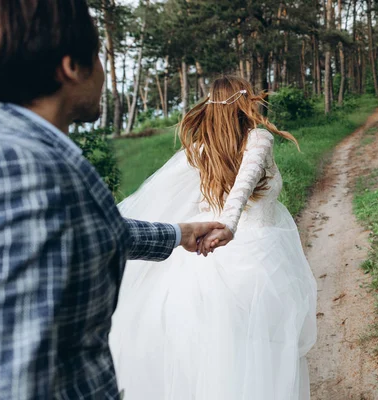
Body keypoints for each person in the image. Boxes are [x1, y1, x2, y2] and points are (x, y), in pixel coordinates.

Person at [0, 1, 223, 399]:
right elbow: (16, 371)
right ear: (72, 67)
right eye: (98, 57)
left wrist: (179, 232)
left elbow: (76, 229)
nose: (104, 72)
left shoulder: (16, 145)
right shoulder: (30, 168)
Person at [109, 76, 318, 400]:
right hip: (257, 258)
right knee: (263, 356)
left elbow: (214, 196)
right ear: (244, 101)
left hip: (201, 261)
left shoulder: (201, 149)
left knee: (217, 358)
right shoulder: (258, 139)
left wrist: (211, 226)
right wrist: (229, 224)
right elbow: (243, 185)